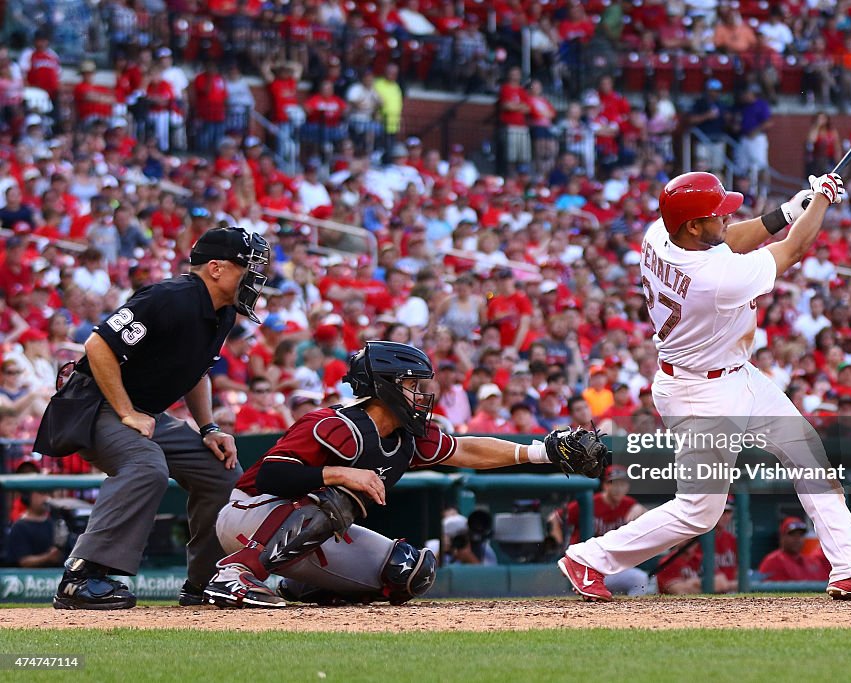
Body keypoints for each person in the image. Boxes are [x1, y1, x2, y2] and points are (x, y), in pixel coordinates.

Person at [557, 170, 851, 602]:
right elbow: (793, 249)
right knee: (699, 513)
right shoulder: (716, 280)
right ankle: (589, 558)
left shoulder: (659, 234)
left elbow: (726, 240)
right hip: (700, 394)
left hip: (730, 374)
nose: (726, 217)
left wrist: (786, 211)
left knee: (809, 456)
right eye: (716, 214)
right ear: (692, 225)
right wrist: (821, 199)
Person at [201, 341, 605, 607]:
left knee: (409, 572)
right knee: (333, 500)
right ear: (384, 386)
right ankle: (236, 573)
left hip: (313, 531)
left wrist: (540, 451)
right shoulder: (334, 424)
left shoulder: (408, 435)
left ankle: (301, 584)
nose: (420, 393)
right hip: (249, 515)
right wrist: (339, 473)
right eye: (411, 383)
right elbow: (271, 476)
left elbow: (465, 449)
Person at [36, 227, 271, 610]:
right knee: (145, 465)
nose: (256, 277)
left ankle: (206, 582)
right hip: (92, 404)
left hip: (142, 411)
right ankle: (81, 576)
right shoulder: (169, 297)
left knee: (222, 474)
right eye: (248, 266)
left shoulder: (223, 312)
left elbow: (197, 372)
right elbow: (98, 345)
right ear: (215, 268)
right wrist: (127, 411)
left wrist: (209, 428)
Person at [548, 464, 648, 595]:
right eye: (614, 483)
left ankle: (635, 614)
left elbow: (653, 522)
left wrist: (641, 510)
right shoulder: (590, 502)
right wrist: (559, 544)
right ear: (605, 485)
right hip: (585, 565)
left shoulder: (630, 504)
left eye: (622, 484)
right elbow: (554, 518)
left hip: (611, 566)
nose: (618, 488)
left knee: (639, 578)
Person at [6, 490, 68, 568]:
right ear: (28, 497)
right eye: (41, 494)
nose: (46, 498)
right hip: (29, 578)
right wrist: (48, 557)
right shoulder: (19, 527)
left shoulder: (55, 523)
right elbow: (24, 561)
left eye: (47, 494)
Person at [758, 516, 830, 581]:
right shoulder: (773, 561)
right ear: (782, 538)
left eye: (800, 535)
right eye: (792, 534)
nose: (797, 539)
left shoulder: (811, 561)